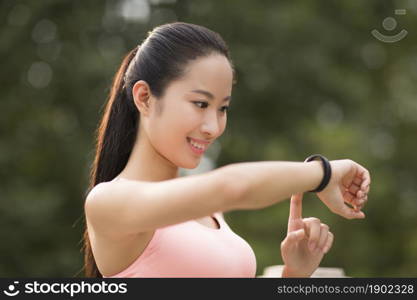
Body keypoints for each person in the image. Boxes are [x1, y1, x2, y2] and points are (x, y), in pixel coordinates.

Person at [81, 22, 370, 278]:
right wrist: (322, 173)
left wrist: (293, 275)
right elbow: (234, 187)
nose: (213, 127)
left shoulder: (211, 213)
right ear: (144, 97)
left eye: (223, 108)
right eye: (200, 104)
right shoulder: (108, 202)